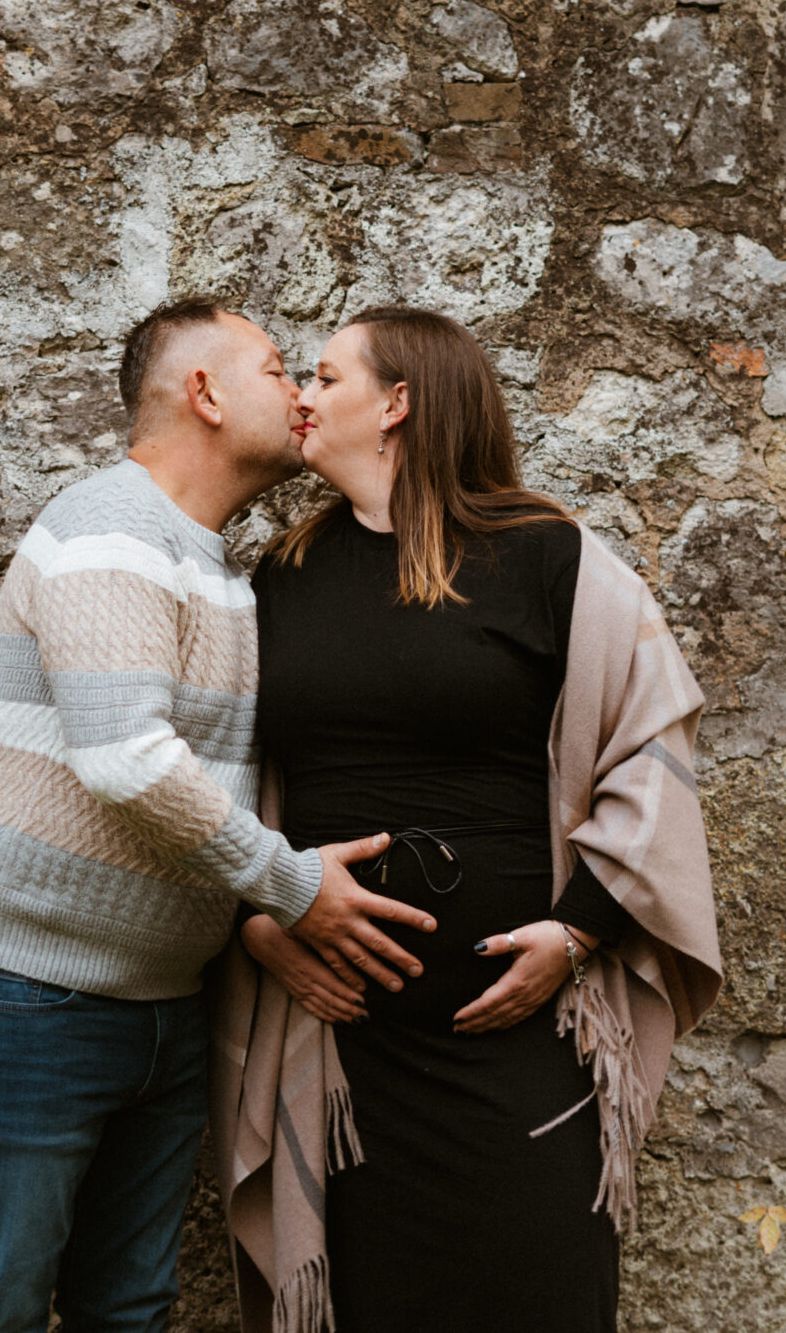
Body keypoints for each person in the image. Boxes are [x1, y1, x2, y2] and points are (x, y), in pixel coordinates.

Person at [0, 298, 436, 1333]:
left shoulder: (219, 568)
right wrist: (294, 888)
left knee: (131, 1309)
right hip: (25, 994)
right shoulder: (110, 527)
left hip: (163, 1001)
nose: (300, 394)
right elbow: (127, 759)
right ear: (204, 393)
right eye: (277, 369)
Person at [214, 305, 724, 1333]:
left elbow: (653, 751)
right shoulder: (285, 573)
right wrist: (259, 922)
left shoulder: (547, 556)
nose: (301, 398)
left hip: (521, 1039)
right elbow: (222, 781)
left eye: (326, 377)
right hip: (345, 1052)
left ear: (397, 404)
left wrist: (579, 931)